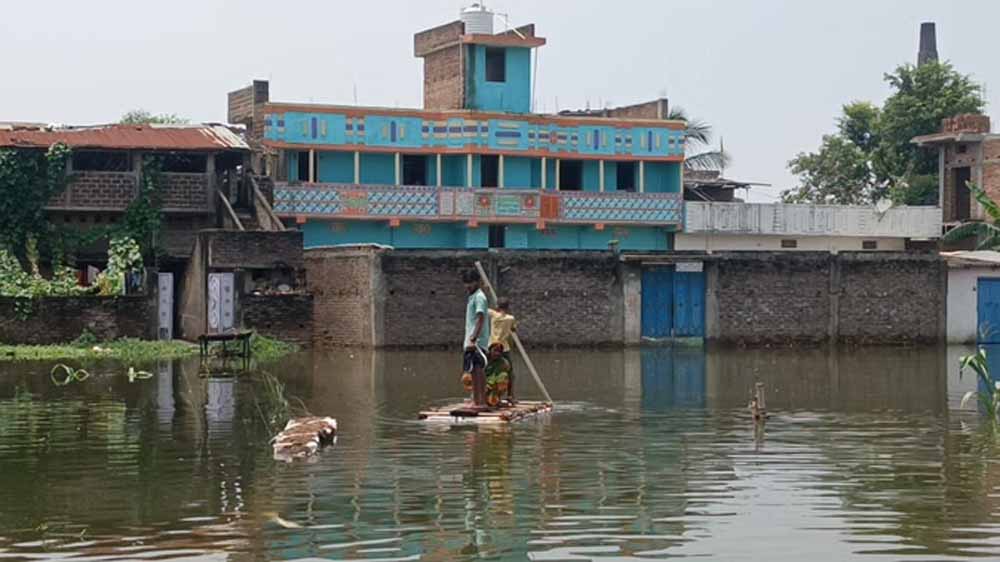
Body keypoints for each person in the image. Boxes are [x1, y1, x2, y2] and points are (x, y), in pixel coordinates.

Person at [461, 269, 490, 406]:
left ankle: (480, 401)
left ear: (477, 282)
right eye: (466, 283)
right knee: (473, 371)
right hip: (471, 339)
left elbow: (480, 318)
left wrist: (474, 337)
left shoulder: (479, 297)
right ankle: (476, 399)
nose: (467, 286)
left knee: (478, 371)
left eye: (470, 283)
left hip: (477, 341)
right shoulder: (472, 296)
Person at [488, 297, 517, 403]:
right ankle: (510, 395)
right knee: (509, 372)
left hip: (492, 347)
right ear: (508, 307)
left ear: (497, 306)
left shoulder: (493, 315)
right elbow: (513, 329)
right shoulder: (511, 318)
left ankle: (485, 393)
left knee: (488, 370)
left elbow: (485, 309)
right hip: (504, 348)